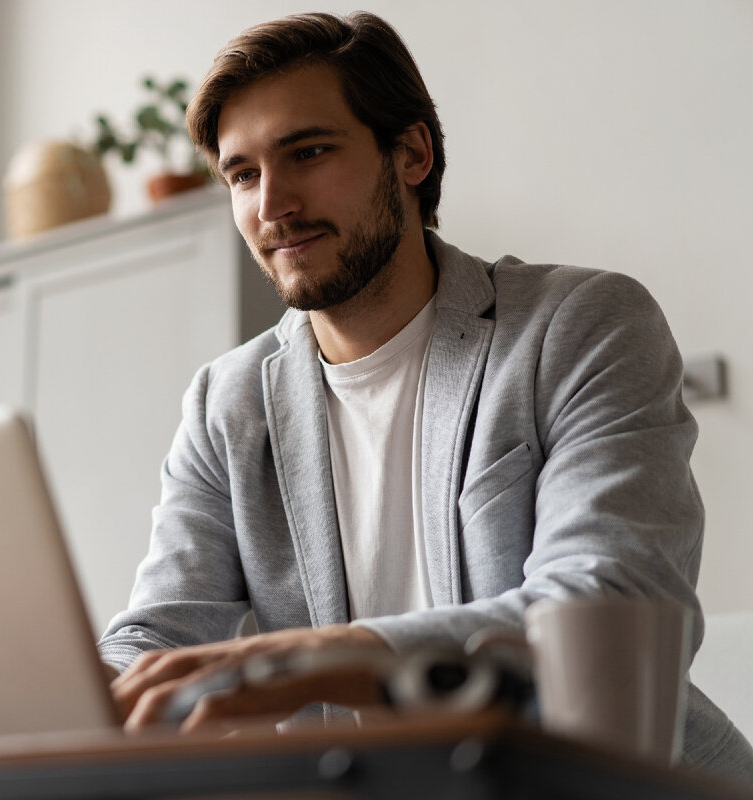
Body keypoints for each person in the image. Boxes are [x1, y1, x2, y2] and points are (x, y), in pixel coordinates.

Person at [95, 10, 753, 784]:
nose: (272, 206)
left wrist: (311, 660)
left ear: (410, 153)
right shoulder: (226, 402)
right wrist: (66, 693)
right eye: (243, 174)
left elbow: (605, 606)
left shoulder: (579, 326)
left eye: (307, 152)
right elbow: (161, 633)